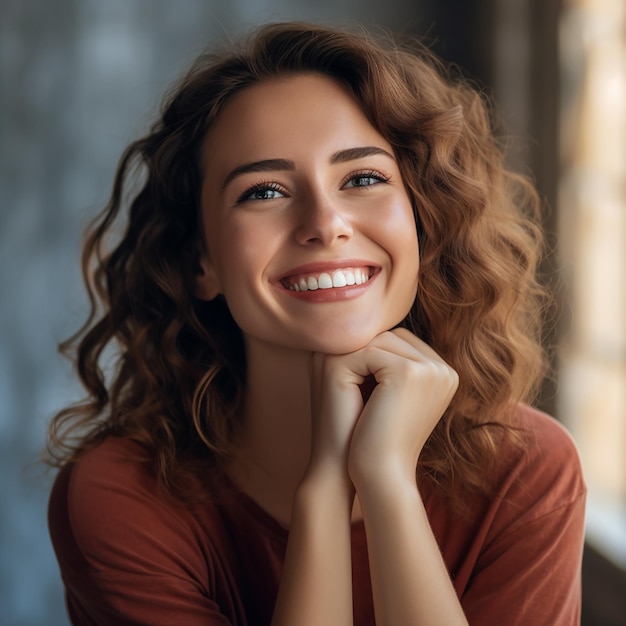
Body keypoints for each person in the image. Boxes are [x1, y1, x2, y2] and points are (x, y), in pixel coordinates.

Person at [46, 22, 586, 626]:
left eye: (362, 179)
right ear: (202, 262)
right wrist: (325, 494)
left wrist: (386, 483)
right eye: (264, 191)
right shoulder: (119, 496)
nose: (325, 223)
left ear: (422, 224)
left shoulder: (529, 470)